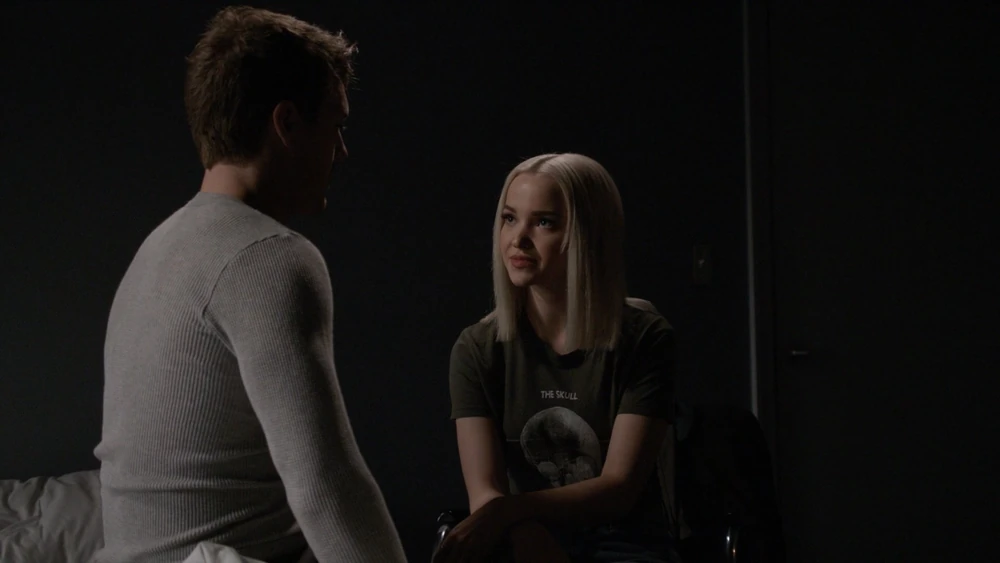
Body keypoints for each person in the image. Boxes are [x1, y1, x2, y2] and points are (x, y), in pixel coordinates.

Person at [93, 7, 406, 563]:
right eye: (335, 126)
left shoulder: (156, 249)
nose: (341, 151)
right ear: (287, 123)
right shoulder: (269, 256)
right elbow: (326, 485)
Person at [436, 153, 679, 563]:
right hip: (523, 537)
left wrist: (508, 511)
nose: (518, 238)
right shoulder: (477, 349)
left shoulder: (645, 339)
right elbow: (485, 491)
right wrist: (520, 527)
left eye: (544, 222)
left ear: (588, 235)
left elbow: (618, 489)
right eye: (509, 218)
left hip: (625, 544)